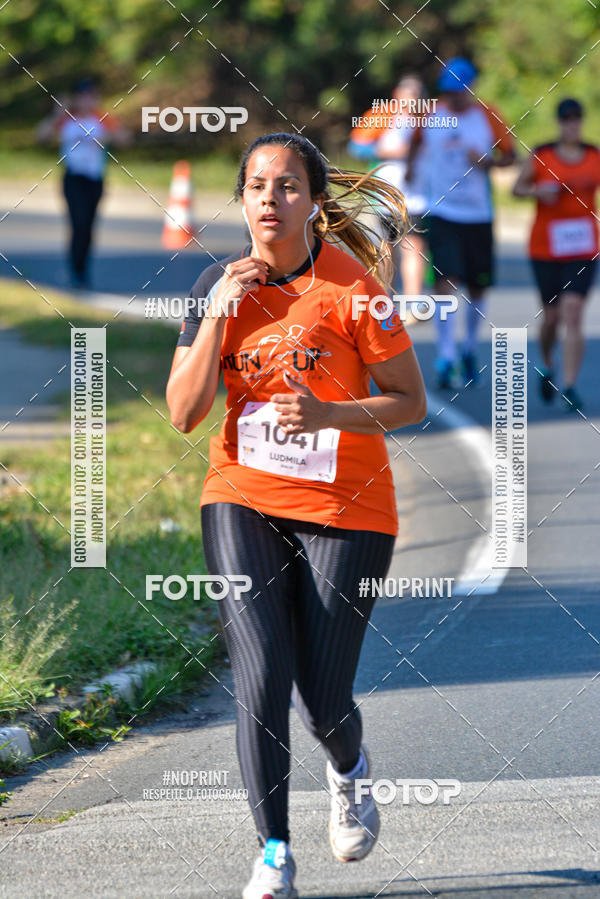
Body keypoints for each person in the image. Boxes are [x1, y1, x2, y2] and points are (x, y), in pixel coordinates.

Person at [166, 132, 426, 898]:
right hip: (241, 495)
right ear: (242, 198)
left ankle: (349, 766)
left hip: (348, 507)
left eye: (287, 186)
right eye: (257, 186)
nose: (270, 200)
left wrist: (328, 414)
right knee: (260, 671)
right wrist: (220, 312)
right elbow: (183, 412)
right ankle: (274, 851)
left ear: (314, 201)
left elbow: (409, 401)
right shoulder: (215, 285)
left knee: (323, 699)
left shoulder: (353, 289)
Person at [407, 57, 515, 388]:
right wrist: (411, 170)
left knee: (478, 285)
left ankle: (468, 347)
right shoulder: (431, 114)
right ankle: (446, 355)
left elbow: (510, 156)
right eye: (449, 91)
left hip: (478, 214)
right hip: (442, 211)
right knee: (446, 280)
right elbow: (414, 143)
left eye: (459, 91)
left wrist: (487, 163)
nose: (453, 97)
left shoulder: (488, 116)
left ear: (471, 88)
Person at [512, 98, 600, 412]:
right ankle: (548, 364)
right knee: (552, 317)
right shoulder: (543, 155)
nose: (572, 125)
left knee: (573, 311)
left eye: (576, 119)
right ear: (559, 122)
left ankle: (570, 386)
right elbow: (517, 188)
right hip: (546, 248)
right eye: (566, 119)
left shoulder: (594, 156)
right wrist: (537, 191)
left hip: (583, 248)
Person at [36, 77, 130, 288]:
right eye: (83, 96)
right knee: (77, 223)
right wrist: (56, 114)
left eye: (91, 96)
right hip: (73, 178)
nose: (87, 100)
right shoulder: (67, 118)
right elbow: (41, 136)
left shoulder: (101, 118)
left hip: (95, 180)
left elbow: (125, 138)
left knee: (88, 226)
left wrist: (109, 136)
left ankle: (83, 268)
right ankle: (76, 269)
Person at [374, 74, 429, 297]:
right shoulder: (383, 118)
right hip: (386, 197)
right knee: (386, 248)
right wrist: (387, 152)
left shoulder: (429, 121)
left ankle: (413, 302)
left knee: (414, 247)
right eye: (408, 94)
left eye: (417, 95)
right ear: (397, 95)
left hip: (415, 198)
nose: (412, 100)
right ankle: (385, 299)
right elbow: (358, 145)